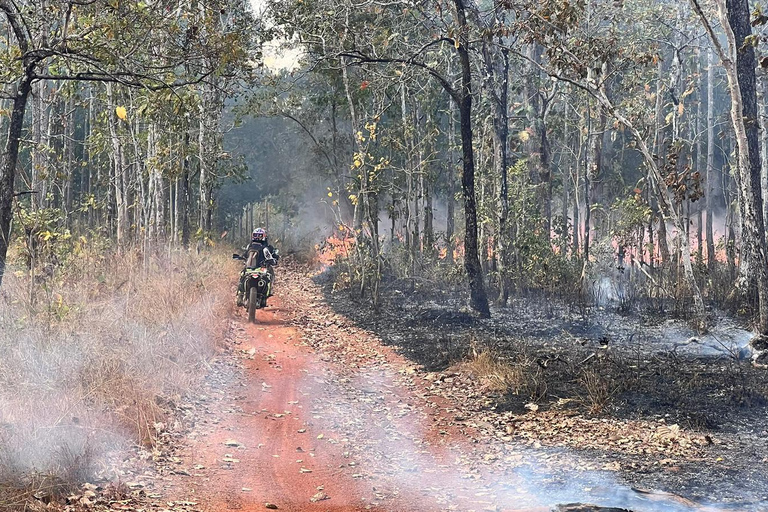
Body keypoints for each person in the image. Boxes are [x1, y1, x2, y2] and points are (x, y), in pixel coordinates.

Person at [236, 228, 279, 306]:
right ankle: (240, 294)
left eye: (259, 236)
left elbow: (269, 257)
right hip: (255, 268)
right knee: (242, 275)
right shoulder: (256, 247)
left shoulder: (261, 247)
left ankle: (241, 294)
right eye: (256, 235)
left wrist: (272, 260)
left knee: (267, 277)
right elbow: (245, 255)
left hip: (256, 268)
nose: (257, 237)